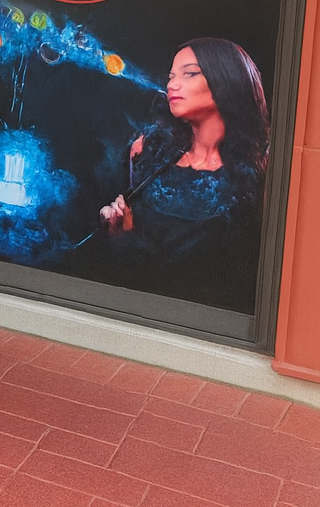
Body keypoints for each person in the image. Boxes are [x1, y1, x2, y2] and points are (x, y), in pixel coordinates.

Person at [98, 37, 270, 310]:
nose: (172, 85)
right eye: (171, 76)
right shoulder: (146, 152)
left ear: (226, 79)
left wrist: (129, 243)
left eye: (189, 74)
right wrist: (118, 232)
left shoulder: (258, 175)